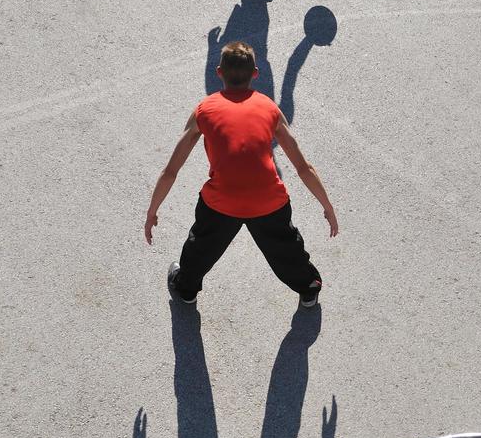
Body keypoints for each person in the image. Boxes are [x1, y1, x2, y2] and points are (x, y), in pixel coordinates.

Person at [144, 41, 338, 307]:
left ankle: (186, 289)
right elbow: (303, 166)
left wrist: (152, 211)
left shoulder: (204, 110)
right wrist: (327, 206)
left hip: (222, 201)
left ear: (219, 72)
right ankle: (308, 288)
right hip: (268, 200)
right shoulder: (270, 109)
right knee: (285, 247)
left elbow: (170, 171)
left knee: (201, 245)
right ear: (255, 74)